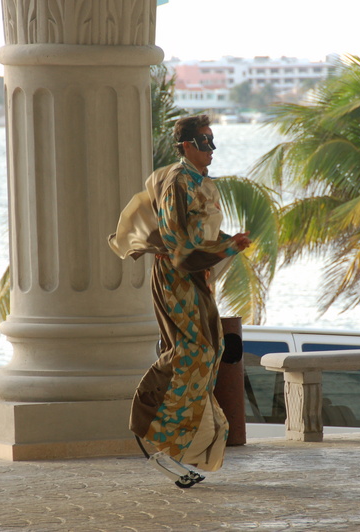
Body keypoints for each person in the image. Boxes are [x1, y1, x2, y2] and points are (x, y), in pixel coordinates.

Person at [108, 115, 251, 487]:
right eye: (205, 142)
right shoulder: (177, 182)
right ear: (186, 145)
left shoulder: (201, 182)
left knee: (211, 351)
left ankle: (177, 441)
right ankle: (148, 423)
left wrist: (227, 243)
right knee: (193, 351)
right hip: (176, 275)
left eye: (213, 141)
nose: (211, 149)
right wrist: (225, 249)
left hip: (197, 276)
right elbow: (179, 248)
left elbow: (202, 235)